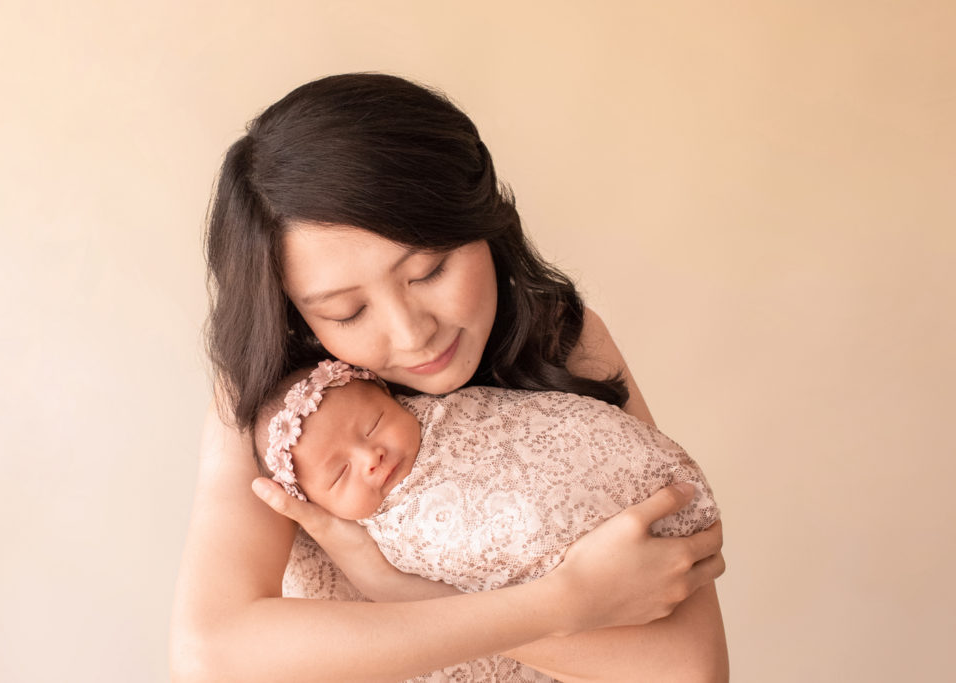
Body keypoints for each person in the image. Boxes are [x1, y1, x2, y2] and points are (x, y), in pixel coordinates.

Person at [171, 72, 727, 683]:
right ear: (293, 309)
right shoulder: (282, 410)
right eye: (346, 312)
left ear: (484, 218)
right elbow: (212, 656)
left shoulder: (565, 339)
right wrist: (565, 602)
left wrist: (394, 586)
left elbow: (688, 671)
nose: (411, 335)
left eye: (430, 271)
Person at [254, 359, 720, 600]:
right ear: (317, 505)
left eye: (373, 424)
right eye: (340, 474)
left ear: (391, 396)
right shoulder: (390, 538)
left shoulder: (453, 410)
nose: (369, 457)